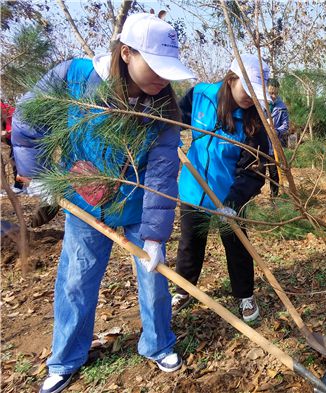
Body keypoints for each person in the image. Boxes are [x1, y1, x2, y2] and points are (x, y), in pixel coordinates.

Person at [11, 13, 195, 393]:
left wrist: (156, 237)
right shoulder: (72, 78)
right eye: (155, 67)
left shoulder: (163, 108)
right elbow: (27, 123)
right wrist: (40, 177)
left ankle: (158, 343)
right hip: (83, 202)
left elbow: (161, 175)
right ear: (126, 53)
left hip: (137, 205)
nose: (162, 79)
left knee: (153, 278)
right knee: (76, 281)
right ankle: (65, 359)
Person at [173, 54, 270, 322]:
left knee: (237, 246)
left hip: (229, 195)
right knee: (190, 243)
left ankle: (245, 296)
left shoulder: (254, 123)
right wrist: (169, 140)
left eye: (256, 93)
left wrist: (233, 203)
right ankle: (183, 289)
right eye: (246, 89)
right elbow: (174, 120)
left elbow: (254, 172)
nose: (251, 97)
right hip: (193, 188)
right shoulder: (200, 95)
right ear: (231, 79)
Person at [266, 78, 289, 198]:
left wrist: (276, 131)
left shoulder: (282, 107)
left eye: (276, 93)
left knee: (274, 172)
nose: (273, 96)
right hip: (259, 144)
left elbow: (285, 125)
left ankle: (273, 197)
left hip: (273, 145)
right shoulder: (259, 104)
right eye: (270, 93)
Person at [1, 102, 24, 194]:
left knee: (16, 160)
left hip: (20, 139)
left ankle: (19, 186)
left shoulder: (11, 112)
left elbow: (19, 127)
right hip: (12, 140)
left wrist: (6, 132)